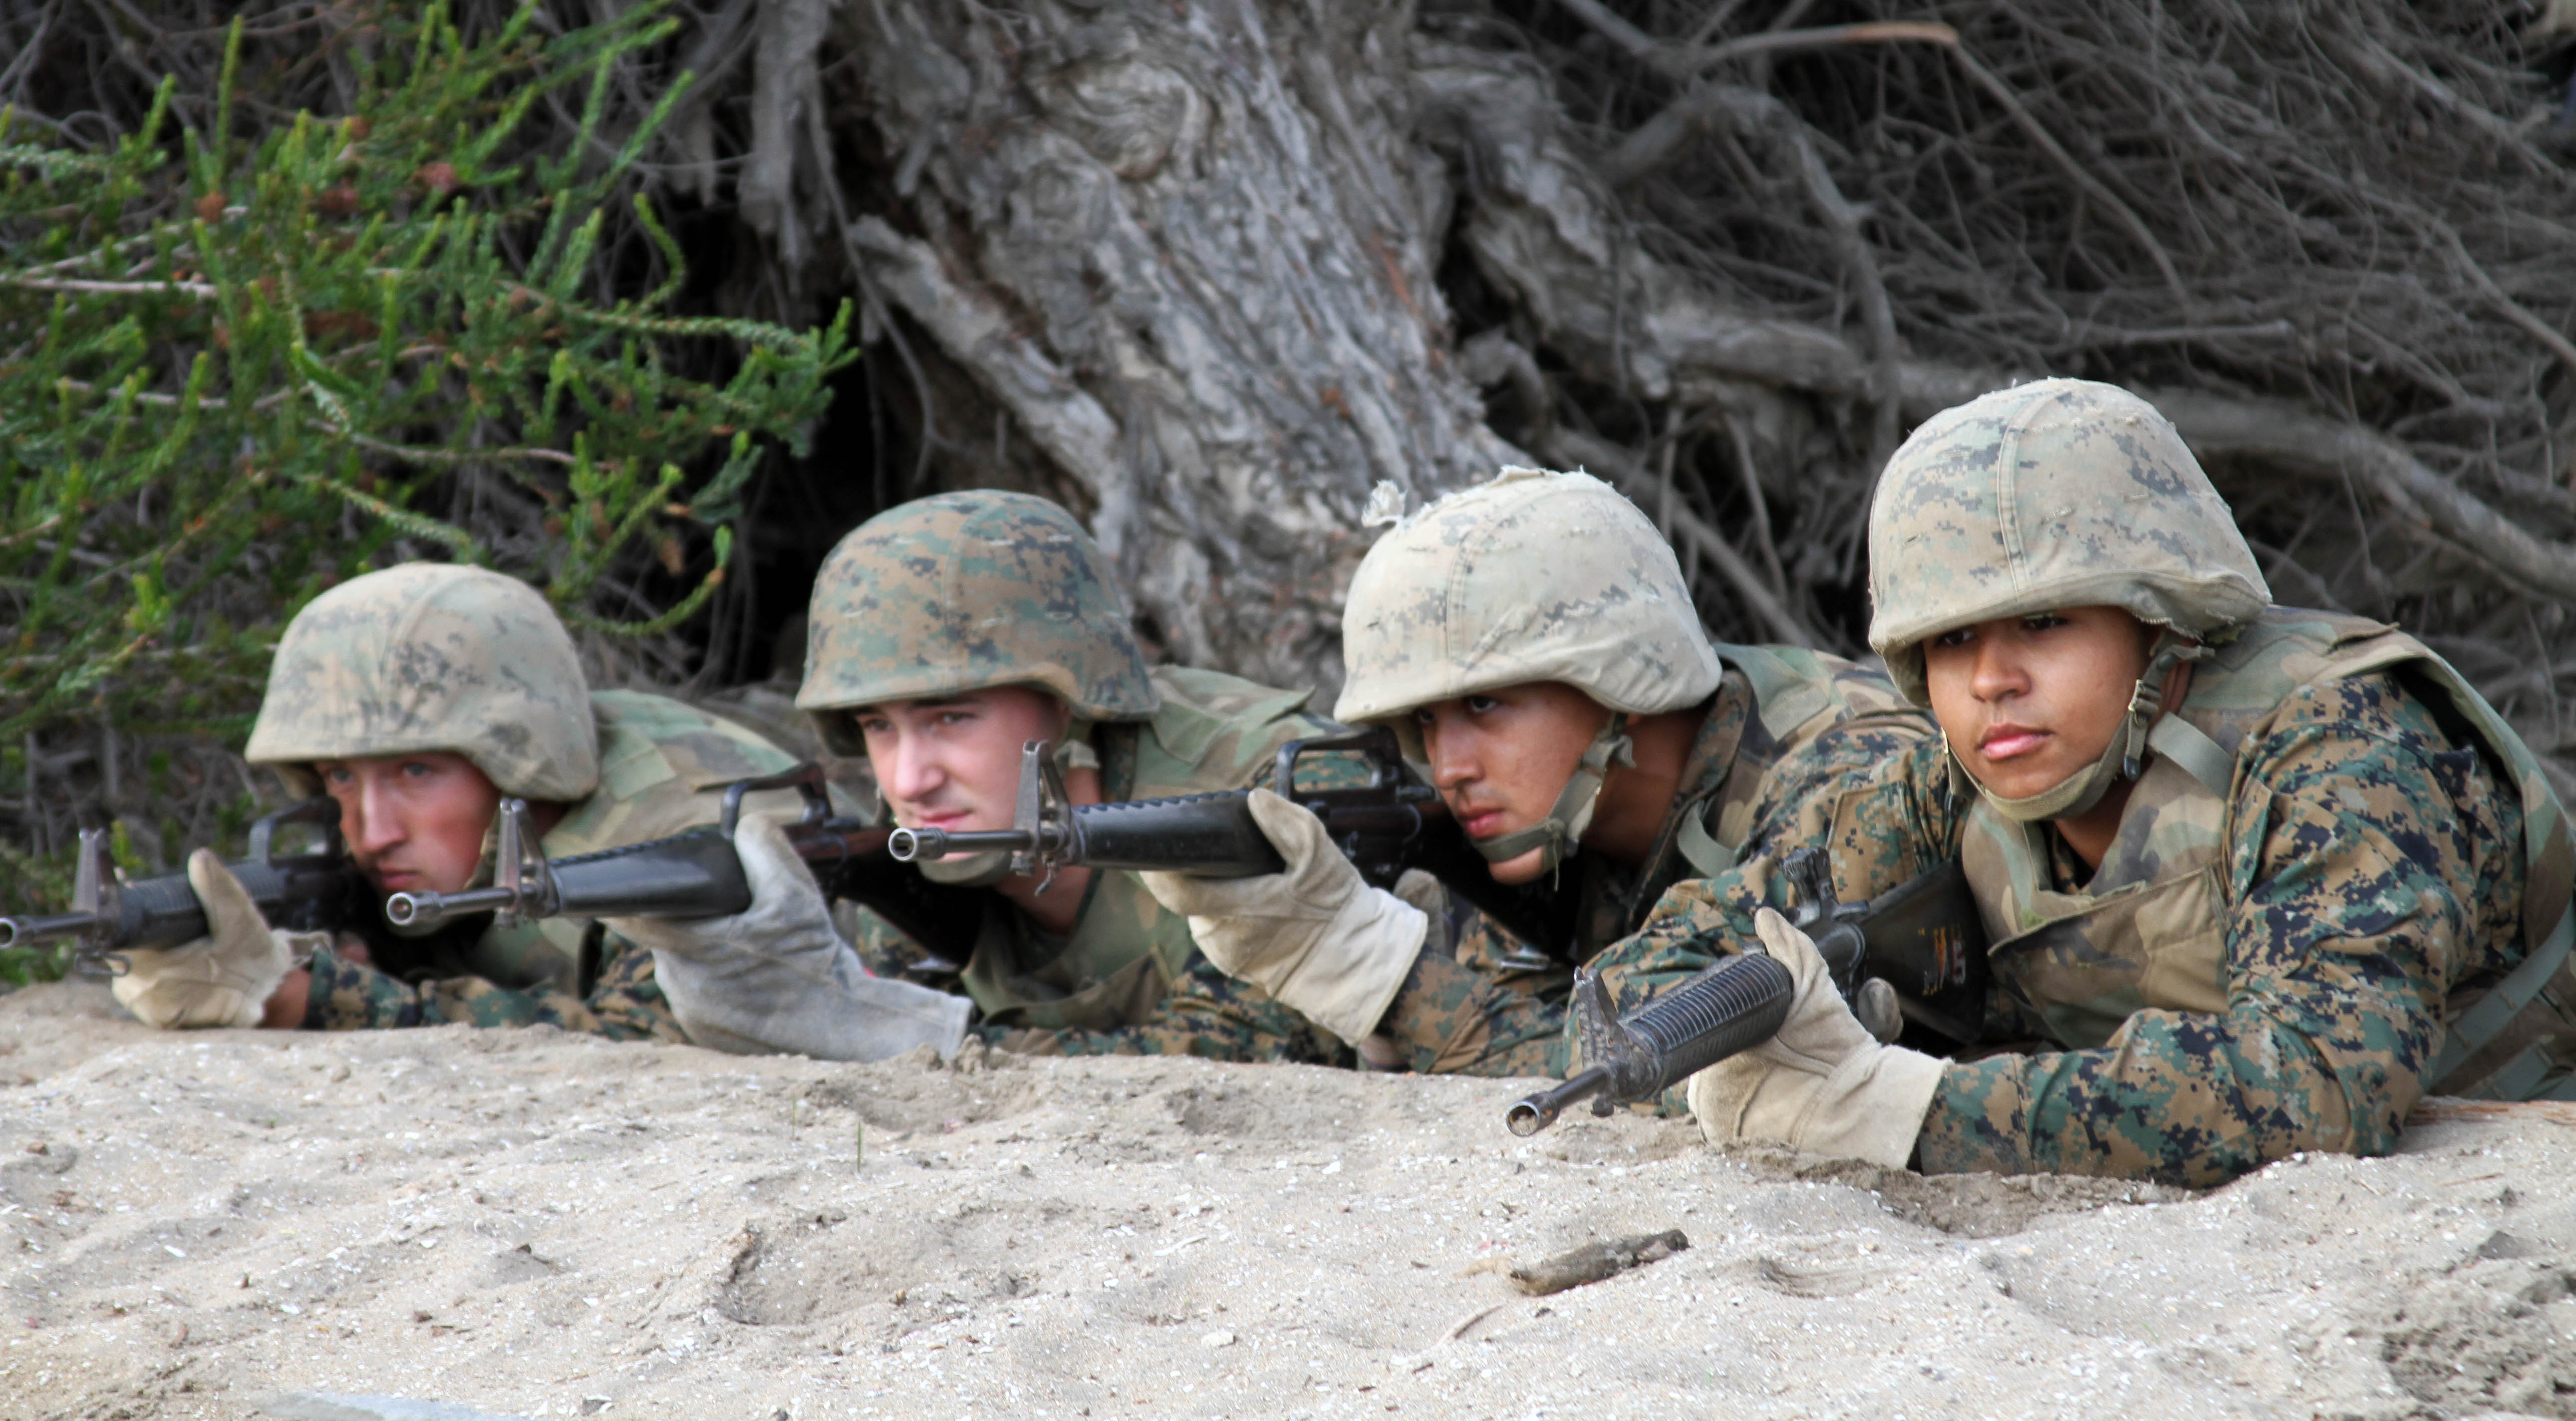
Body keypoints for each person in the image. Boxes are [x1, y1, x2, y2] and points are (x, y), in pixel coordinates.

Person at [1597, 378, 2576, 1187]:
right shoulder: (1942, 791)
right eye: (1950, 641)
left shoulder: (2342, 748)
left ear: (2160, 622)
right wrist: (1774, 1043)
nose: (1992, 681)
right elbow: (1650, 979)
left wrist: (1902, 1105)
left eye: (2043, 624)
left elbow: (2316, 1091)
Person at [1140, 467, 1930, 1075]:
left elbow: (1625, 1076)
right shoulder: (1555, 824)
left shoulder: (1840, 785)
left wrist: (1378, 972)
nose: (1448, 768)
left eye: (1484, 707)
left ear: (1624, 681)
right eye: (1424, 724)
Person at [108, 562, 969, 1060]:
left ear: (519, 757)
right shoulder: (463, 837)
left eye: (415, 771)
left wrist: (320, 1000)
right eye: (338, 776)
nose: (371, 830)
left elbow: (647, 1040)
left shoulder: (678, 840)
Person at [773, 489, 1374, 1062]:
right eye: (878, 726)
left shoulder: (1252, 796)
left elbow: (1248, 1051)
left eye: (951, 718)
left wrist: (897, 1037)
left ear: (1070, 705)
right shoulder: (919, 859)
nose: (909, 782)